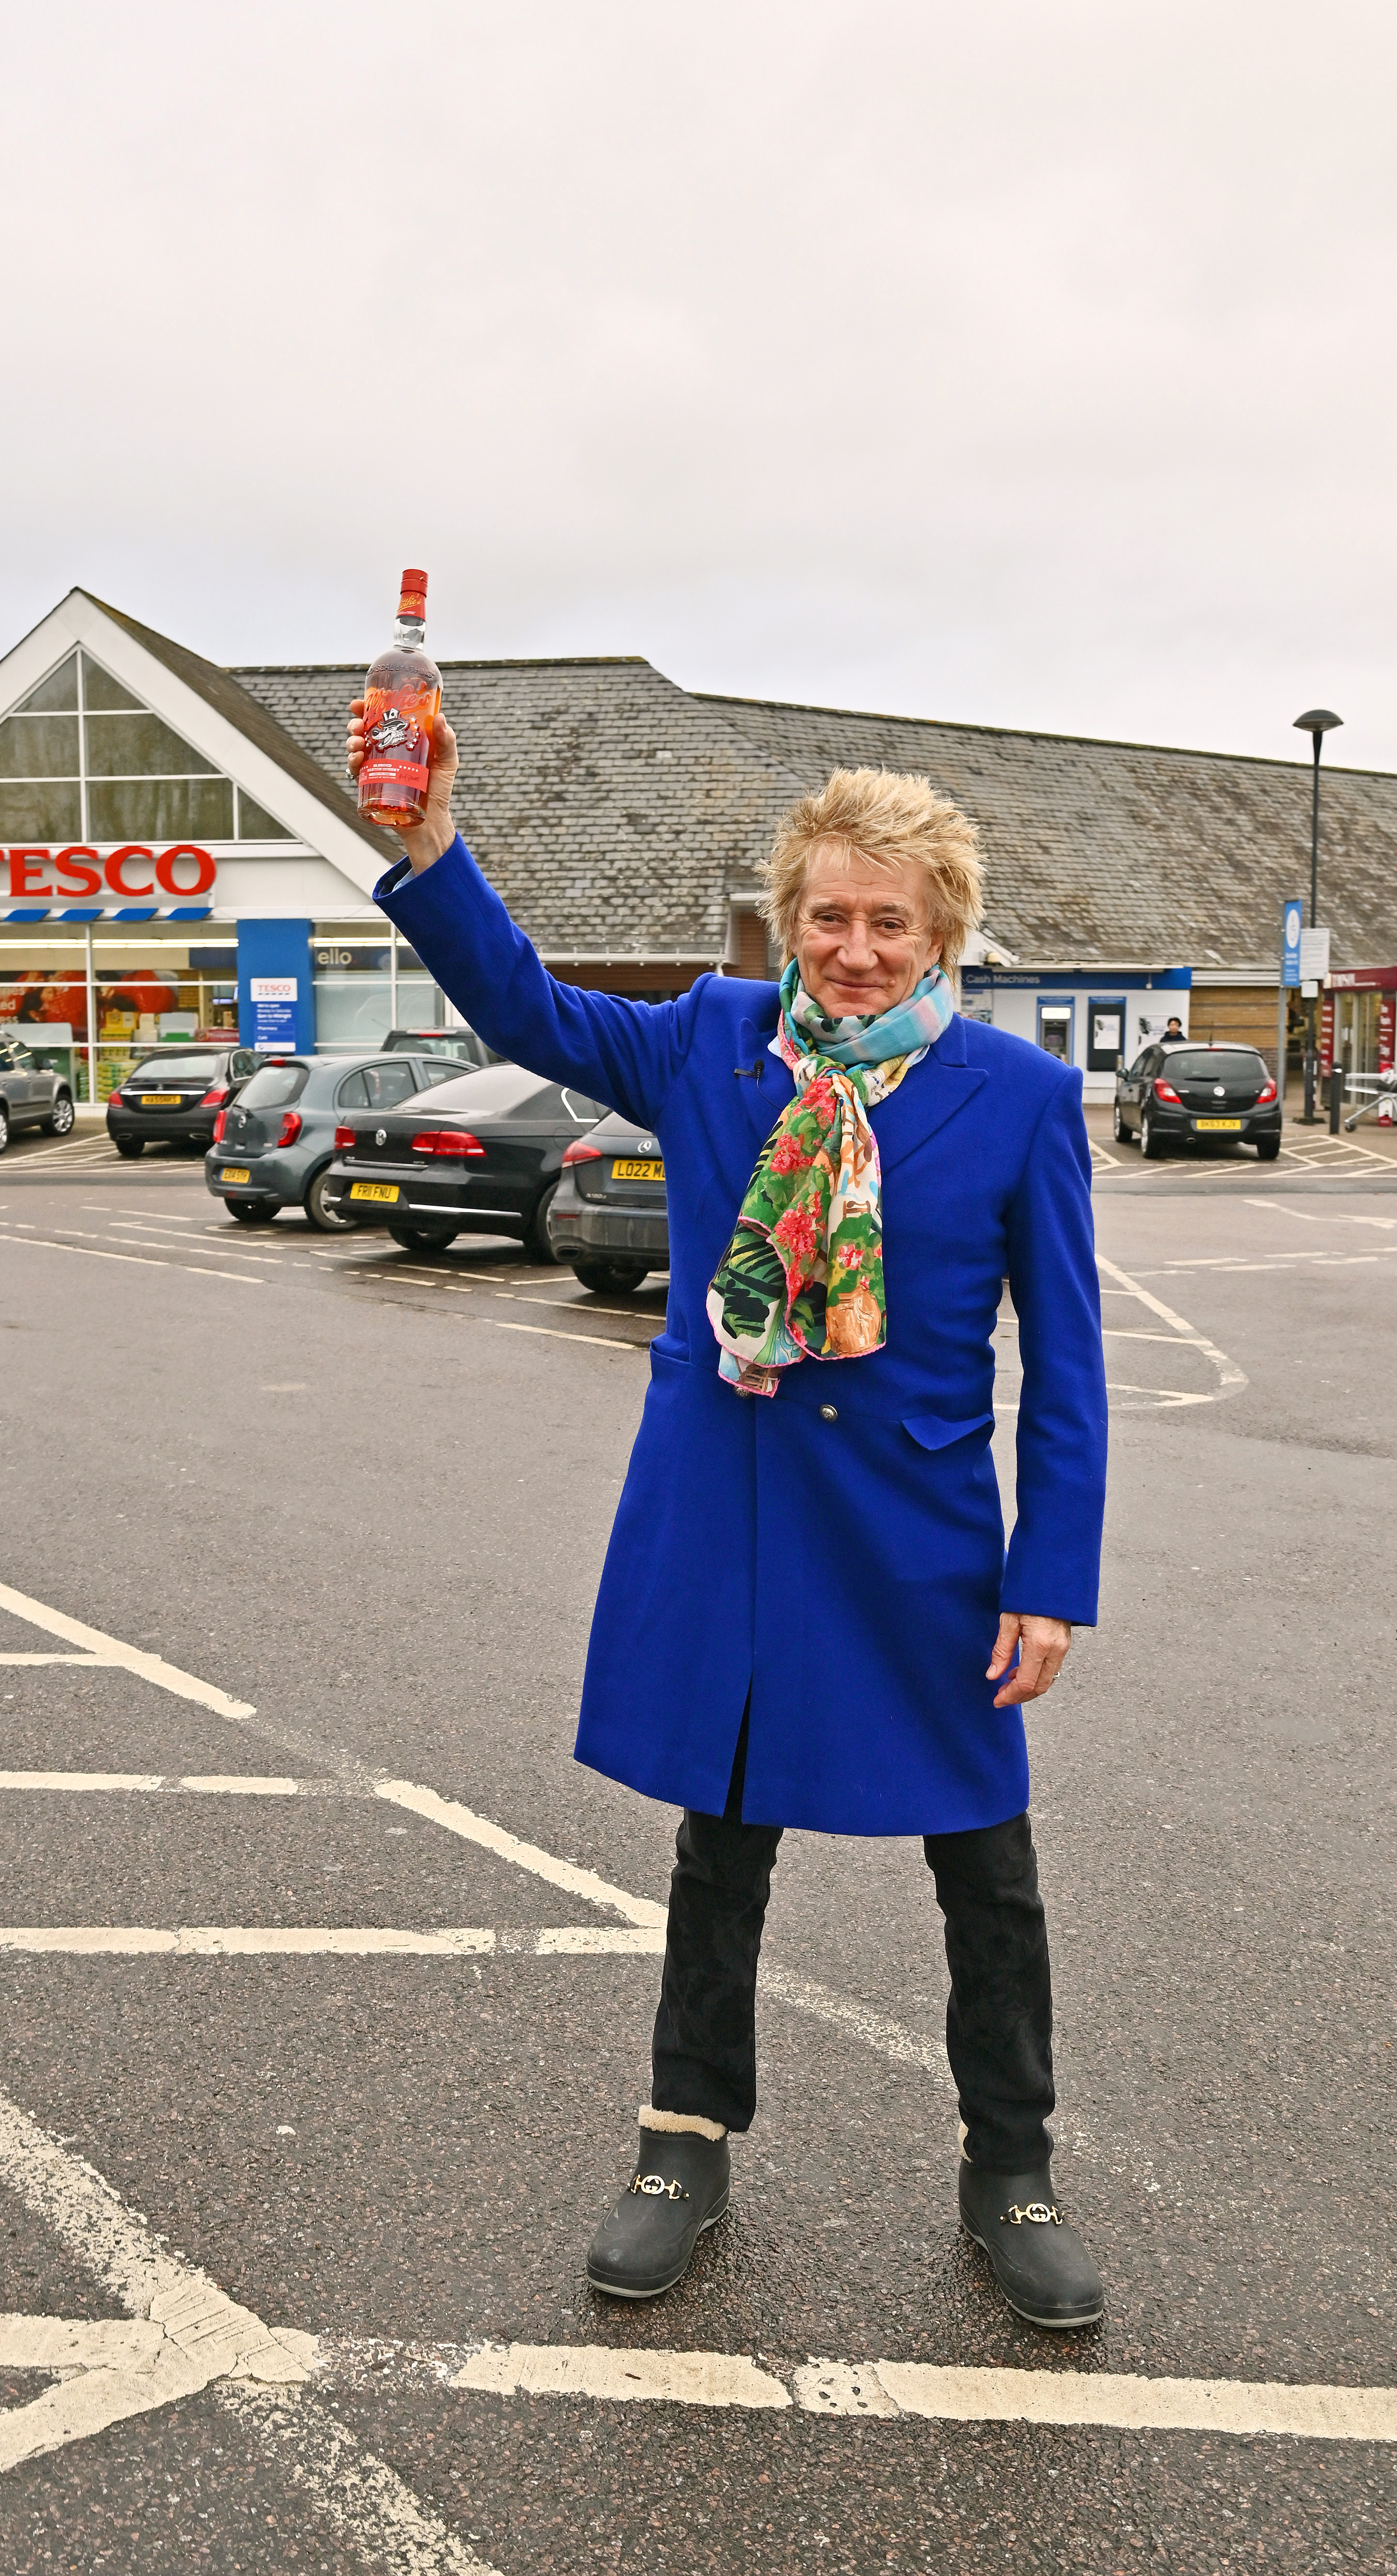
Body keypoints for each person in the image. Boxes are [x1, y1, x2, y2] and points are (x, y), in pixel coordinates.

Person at [349, 708, 1109, 2333]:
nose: (851, 949)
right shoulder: (704, 1040)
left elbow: (1066, 1365)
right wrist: (429, 844)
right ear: (789, 917)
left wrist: (1050, 1577)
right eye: (827, 915)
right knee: (721, 1842)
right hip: (739, 1520)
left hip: (918, 1544)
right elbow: (523, 1003)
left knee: (985, 1866)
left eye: (888, 921)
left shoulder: (1020, 1098)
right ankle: (682, 2148)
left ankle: (1013, 2170)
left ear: (943, 935)